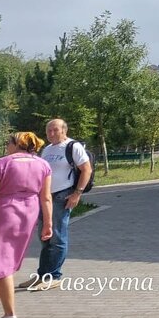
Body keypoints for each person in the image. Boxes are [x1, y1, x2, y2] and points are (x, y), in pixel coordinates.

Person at [0, 132, 53, 318]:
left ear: (16, 143)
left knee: (2, 263)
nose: (7, 146)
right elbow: (46, 198)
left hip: (5, 212)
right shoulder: (43, 164)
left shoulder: (3, 163)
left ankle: (9, 316)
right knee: (8, 260)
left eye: (8, 142)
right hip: (30, 212)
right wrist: (48, 223)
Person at [21, 119, 91, 292]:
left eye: (55, 130)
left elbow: (86, 169)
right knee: (45, 236)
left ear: (64, 130)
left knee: (57, 236)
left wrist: (77, 193)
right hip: (45, 197)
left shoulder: (72, 146)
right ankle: (42, 275)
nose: (51, 133)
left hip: (62, 195)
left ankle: (54, 275)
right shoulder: (47, 149)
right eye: (48, 130)